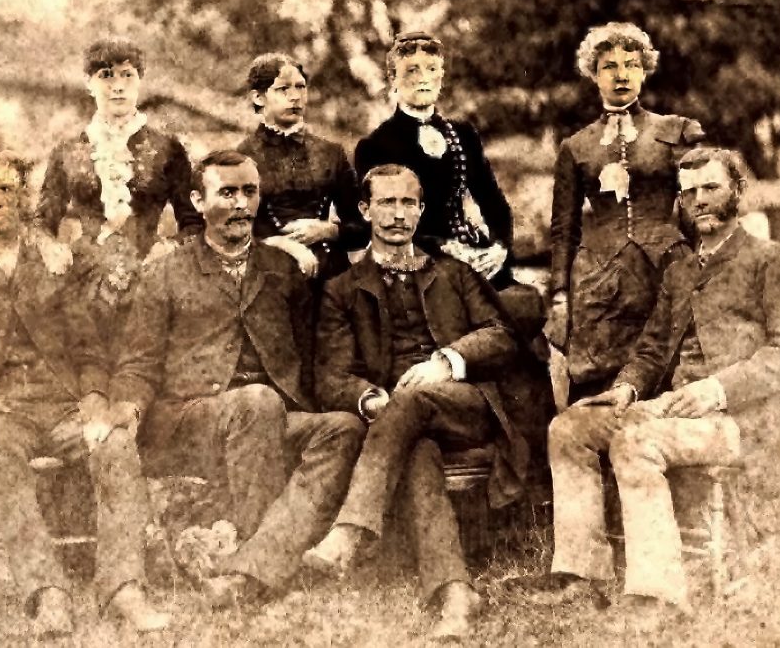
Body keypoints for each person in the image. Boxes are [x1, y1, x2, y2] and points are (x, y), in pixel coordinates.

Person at [0, 145, 168, 638]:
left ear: (24, 197)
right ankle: (48, 595)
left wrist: (93, 402)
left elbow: (87, 347)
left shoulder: (51, 264)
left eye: (7, 189)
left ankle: (125, 586)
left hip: (60, 404)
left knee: (116, 444)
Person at [533, 147, 780, 616]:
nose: (700, 200)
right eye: (690, 193)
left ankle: (657, 593)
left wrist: (717, 388)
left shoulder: (771, 261)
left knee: (636, 442)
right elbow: (653, 348)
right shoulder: (680, 272)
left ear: (737, 191)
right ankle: (583, 574)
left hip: (740, 418)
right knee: (570, 428)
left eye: (711, 188)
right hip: (678, 409)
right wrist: (627, 388)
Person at [102, 150, 365, 606]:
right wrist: (127, 411)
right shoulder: (166, 272)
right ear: (198, 202)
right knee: (256, 402)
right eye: (227, 193)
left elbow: (309, 352)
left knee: (343, 429)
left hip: (270, 412)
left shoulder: (282, 269)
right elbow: (137, 362)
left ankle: (256, 566)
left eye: (249, 192)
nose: (241, 205)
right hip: (188, 420)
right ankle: (261, 572)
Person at [303, 164, 546, 641]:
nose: (398, 215)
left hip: (468, 407)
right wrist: (369, 398)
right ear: (364, 209)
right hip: (399, 422)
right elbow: (330, 375)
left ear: (421, 209)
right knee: (416, 452)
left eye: (408, 203)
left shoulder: (454, 274)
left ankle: (350, 531)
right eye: (387, 203)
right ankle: (455, 593)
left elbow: (502, 336)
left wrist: (449, 359)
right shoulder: (341, 291)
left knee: (411, 404)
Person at [547, 22, 706, 401]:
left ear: (645, 70)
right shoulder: (576, 146)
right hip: (598, 280)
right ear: (593, 73)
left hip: (664, 267)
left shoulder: (675, 130)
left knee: (667, 369)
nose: (622, 75)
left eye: (632, 65)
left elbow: (696, 207)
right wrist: (558, 294)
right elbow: (563, 229)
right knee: (598, 384)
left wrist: (702, 265)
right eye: (609, 66)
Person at [35, 37, 202, 337]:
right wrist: (52, 248)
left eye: (128, 75)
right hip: (82, 282)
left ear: (140, 81)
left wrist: (168, 247)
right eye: (106, 75)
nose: (118, 86)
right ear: (89, 83)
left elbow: (194, 224)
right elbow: (42, 223)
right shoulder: (67, 151)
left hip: (151, 276)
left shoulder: (168, 149)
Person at [354, 32, 515, 288]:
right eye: (412, 71)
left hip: (473, 254)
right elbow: (381, 222)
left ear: (441, 76)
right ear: (393, 80)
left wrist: (500, 247)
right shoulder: (376, 145)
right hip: (414, 260)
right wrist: (441, 247)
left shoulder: (463, 133)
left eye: (432, 69)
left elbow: (493, 201)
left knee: (521, 307)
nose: (424, 79)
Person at [236, 53, 366, 280]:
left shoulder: (331, 153)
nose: (295, 97)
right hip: (268, 276)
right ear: (258, 97)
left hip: (331, 276)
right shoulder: (242, 157)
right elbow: (231, 231)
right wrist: (278, 243)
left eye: (301, 87)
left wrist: (329, 230)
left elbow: (362, 229)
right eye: (283, 89)